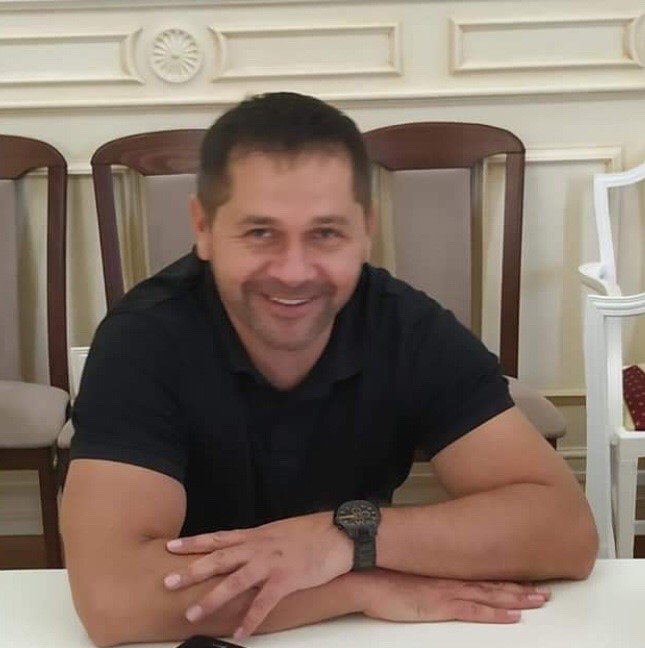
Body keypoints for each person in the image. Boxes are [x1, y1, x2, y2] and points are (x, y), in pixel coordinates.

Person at [61, 92, 597, 647]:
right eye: (260, 232)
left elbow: (566, 531)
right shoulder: (143, 338)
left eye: (325, 233)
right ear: (204, 227)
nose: (294, 272)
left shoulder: (407, 327)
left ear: (366, 230)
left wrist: (344, 535)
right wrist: (360, 586)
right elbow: (113, 599)